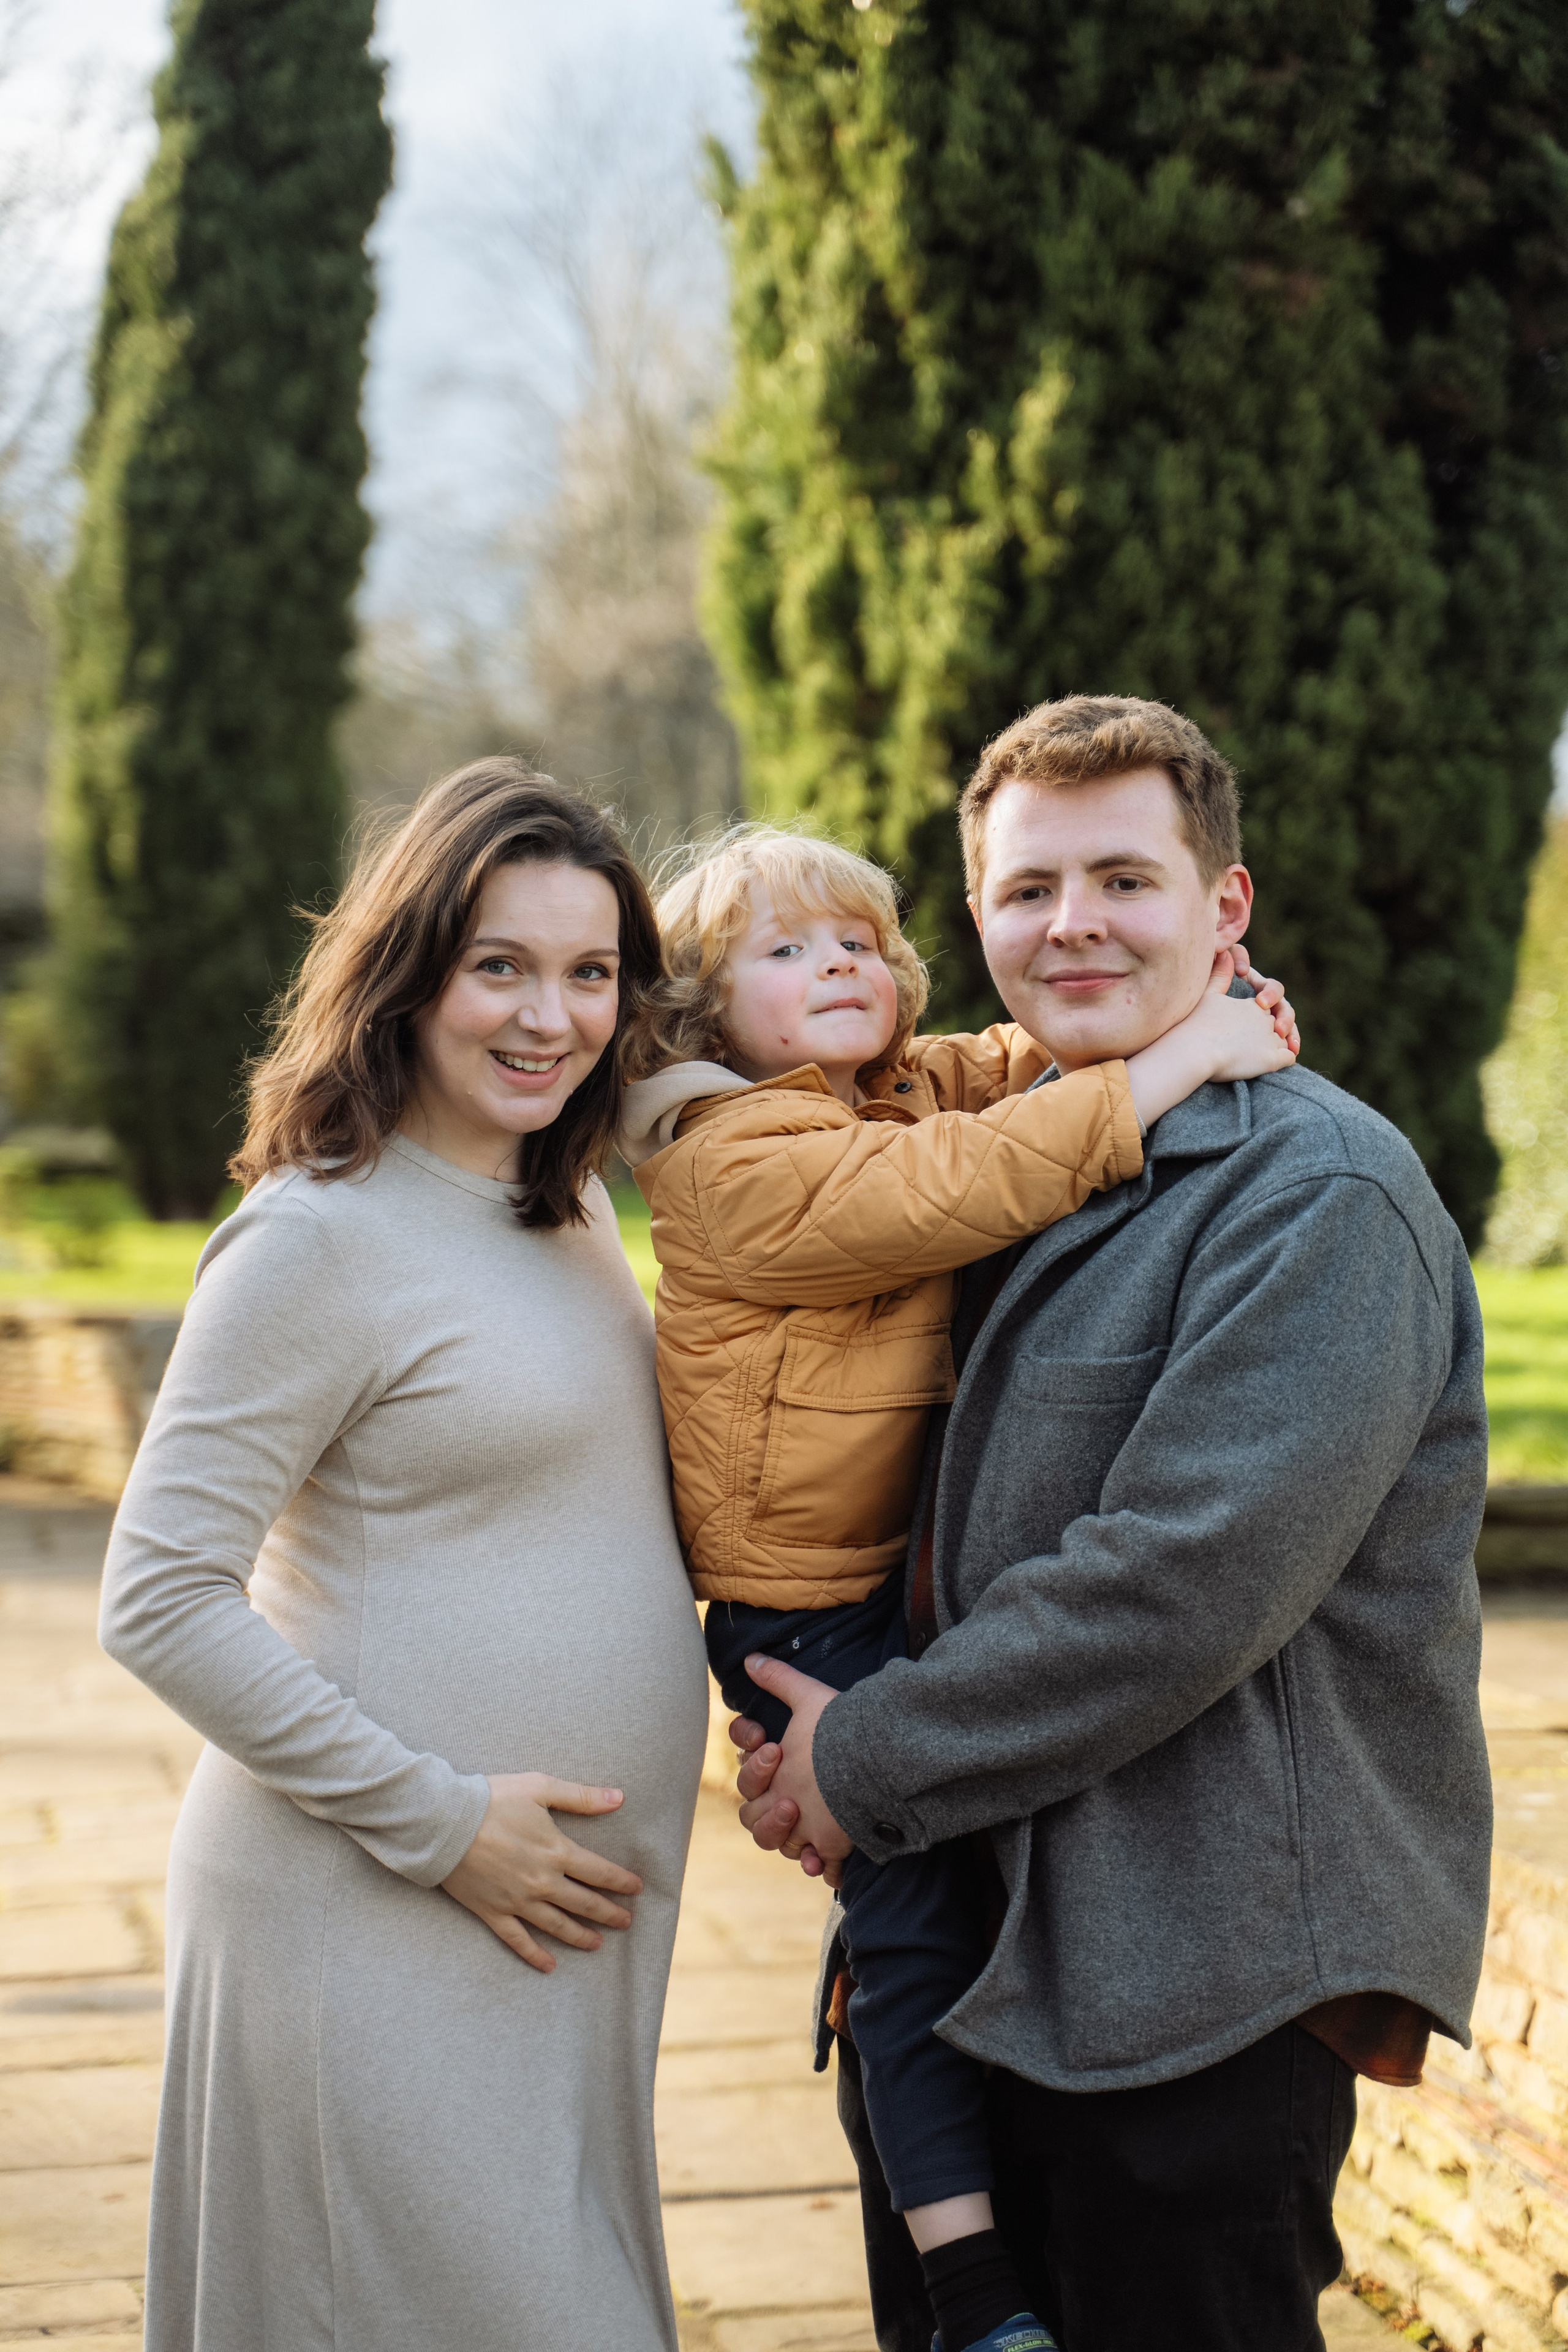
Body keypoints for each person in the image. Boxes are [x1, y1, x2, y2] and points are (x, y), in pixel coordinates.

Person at [731, 698, 1492, 2352]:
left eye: (1124, 880)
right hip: (956, 1979)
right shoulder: (986, 1170)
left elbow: (1176, 1586)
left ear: (1226, 912)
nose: (1070, 923)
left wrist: (859, 1759)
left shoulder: (1318, 1195)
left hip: (1188, 2006)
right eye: (1026, 890)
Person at [617, 822, 1296, 2352]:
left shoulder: (890, 1085)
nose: (837, 965)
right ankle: (968, 2277)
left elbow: (1013, 1062)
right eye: (783, 954)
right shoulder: (727, 1156)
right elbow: (949, 1189)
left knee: (934, 1891)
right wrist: (1174, 1068)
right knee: (908, 1932)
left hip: (892, 1579)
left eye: (856, 939)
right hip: (805, 1602)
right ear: (704, 1017)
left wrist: (1191, 999)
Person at [99, 761, 710, 2352]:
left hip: (546, 1937)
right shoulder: (320, 1236)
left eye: (590, 975)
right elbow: (157, 1598)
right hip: (372, 1903)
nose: (548, 1017)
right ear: (407, 972)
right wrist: (440, 1825)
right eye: (498, 965)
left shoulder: (564, 1207)